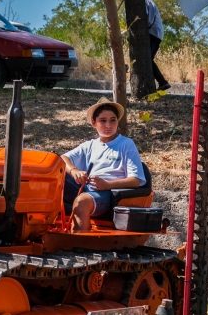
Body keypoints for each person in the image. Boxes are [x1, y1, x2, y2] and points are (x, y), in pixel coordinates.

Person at [61, 98, 146, 233]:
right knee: (51, 177)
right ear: (94, 123)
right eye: (103, 120)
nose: (108, 125)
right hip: (86, 188)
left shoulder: (126, 144)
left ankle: (78, 246)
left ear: (117, 122)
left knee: (81, 202)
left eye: (112, 120)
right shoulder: (90, 145)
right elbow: (62, 159)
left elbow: (135, 180)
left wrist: (107, 185)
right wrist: (74, 171)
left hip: (108, 194)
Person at [144, 0, 170, 92]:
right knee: (148, 60)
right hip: (157, 33)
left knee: (147, 60)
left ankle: (162, 82)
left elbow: (148, 19)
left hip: (153, 31)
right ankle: (161, 82)